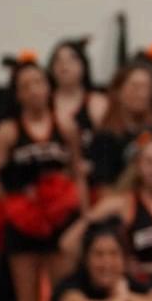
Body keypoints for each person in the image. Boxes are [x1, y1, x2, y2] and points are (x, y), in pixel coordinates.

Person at [0, 54, 85, 301]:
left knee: (64, 296)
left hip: (60, 221)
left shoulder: (64, 125)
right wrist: (22, 205)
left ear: (48, 87)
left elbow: (77, 173)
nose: (34, 90)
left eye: (39, 82)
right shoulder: (8, 131)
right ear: (17, 94)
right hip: (24, 223)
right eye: (26, 85)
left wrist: (80, 215)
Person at [67, 130, 152, 282]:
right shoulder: (118, 205)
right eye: (150, 162)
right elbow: (69, 242)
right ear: (138, 165)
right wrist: (113, 266)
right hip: (137, 287)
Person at [88, 53, 152, 195]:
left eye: (146, 87)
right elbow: (104, 191)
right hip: (124, 201)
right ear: (118, 91)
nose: (141, 94)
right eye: (134, 87)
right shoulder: (105, 138)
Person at [49, 39, 111, 191]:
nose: (64, 65)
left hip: (92, 180)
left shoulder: (97, 103)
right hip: (53, 182)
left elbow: (108, 149)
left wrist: (92, 166)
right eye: (58, 60)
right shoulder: (43, 104)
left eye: (71, 60)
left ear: (84, 65)